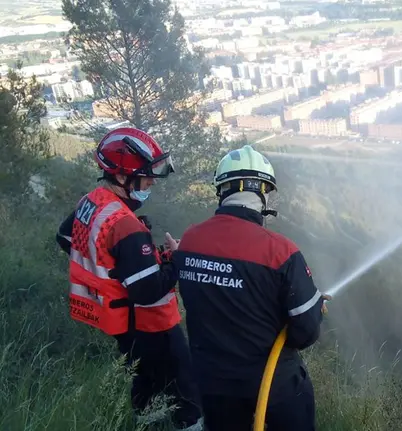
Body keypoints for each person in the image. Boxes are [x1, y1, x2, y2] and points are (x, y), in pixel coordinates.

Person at [171, 145, 329, 431]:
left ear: (222, 191)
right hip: (273, 390)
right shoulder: (281, 252)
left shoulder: (190, 241)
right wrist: (315, 309)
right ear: (263, 193)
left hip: (212, 387)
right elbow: (305, 332)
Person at [55, 127, 202, 431]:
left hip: (119, 321)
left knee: (144, 381)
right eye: (146, 175)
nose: (150, 181)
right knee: (185, 391)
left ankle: (147, 425)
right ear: (122, 176)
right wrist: (176, 258)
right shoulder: (127, 226)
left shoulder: (94, 200)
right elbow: (148, 290)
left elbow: (65, 236)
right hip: (152, 324)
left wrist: (117, 264)